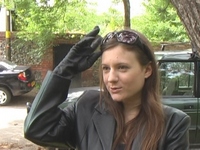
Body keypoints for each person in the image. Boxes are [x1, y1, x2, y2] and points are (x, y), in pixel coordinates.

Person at [24, 26, 190, 150]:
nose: (111, 78)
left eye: (122, 67)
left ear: (147, 70)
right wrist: (64, 71)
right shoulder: (86, 107)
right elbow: (37, 129)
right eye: (106, 68)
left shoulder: (173, 123)